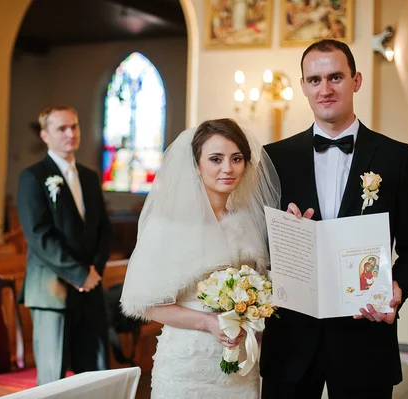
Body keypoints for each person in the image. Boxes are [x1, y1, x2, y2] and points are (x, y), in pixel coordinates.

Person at [260, 39, 408, 398]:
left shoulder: (397, 158)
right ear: (303, 87)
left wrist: (395, 291)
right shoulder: (273, 159)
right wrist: (284, 234)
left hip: (365, 338)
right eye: (314, 80)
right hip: (291, 340)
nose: (324, 89)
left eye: (335, 77)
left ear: (356, 81)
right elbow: (256, 246)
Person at [121, 119, 280, 398]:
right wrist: (207, 322)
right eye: (215, 159)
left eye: (236, 159)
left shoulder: (247, 222)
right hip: (188, 364)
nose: (227, 168)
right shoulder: (168, 225)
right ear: (196, 165)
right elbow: (146, 305)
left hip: (241, 365)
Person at [17, 105, 112, 385]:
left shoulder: (90, 177)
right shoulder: (33, 177)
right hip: (51, 292)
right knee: (53, 377)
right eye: (62, 128)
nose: (71, 133)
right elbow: (38, 235)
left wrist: (95, 269)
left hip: (90, 287)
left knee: (95, 375)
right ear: (45, 135)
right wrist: (78, 274)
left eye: (75, 126)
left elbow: (103, 228)